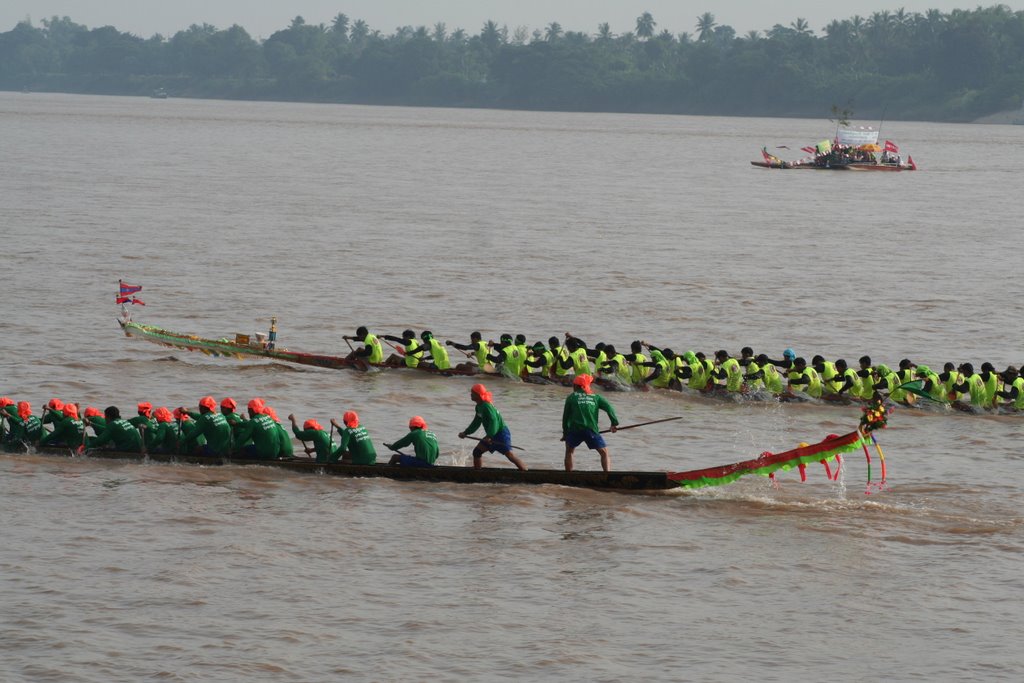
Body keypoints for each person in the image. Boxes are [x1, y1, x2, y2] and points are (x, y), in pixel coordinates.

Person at [459, 383, 527, 471]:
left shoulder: (486, 406)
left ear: (479, 395)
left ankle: (524, 470)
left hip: (501, 433)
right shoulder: (479, 407)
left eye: (473, 393)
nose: (471, 395)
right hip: (492, 434)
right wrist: (466, 432)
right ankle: (477, 472)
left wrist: (489, 436)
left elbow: (494, 421)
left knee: (510, 456)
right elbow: (476, 422)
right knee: (477, 452)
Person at [562, 374, 618, 472]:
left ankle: (568, 475)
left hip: (575, 430)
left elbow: (565, 418)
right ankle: (607, 474)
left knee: (569, 452)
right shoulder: (595, 397)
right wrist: (614, 423)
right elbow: (609, 408)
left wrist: (565, 434)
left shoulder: (571, 397)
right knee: (604, 453)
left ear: (576, 386)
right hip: (591, 430)